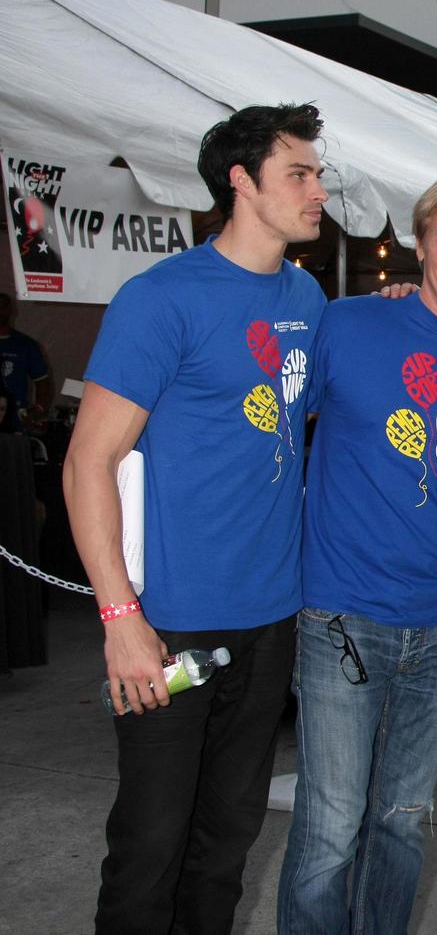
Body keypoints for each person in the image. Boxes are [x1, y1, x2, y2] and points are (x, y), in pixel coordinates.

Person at [62, 103, 328, 933]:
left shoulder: (307, 295)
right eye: (300, 173)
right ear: (241, 182)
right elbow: (86, 463)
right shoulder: (161, 298)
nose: (319, 189)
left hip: (271, 616)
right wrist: (120, 618)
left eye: (318, 172)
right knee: (150, 844)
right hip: (169, 625)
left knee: (226, 845)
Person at [276, 171, 437, 932]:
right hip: (340, 619)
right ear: (419, 243)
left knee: (398, 823)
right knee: (329, 825)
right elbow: (277, 431)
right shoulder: (347, 324)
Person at [0, 291, 53, 424]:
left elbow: (42, 382)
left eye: (3, 306)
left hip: (14, 424)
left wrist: (38, 410)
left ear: (11, 310)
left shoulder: (26, 345)